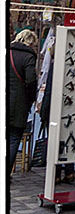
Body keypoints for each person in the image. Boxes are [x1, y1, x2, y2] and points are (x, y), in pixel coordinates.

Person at [7, 29, 38, 180]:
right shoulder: (28, 56)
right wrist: (31, 98)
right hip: (18, 104)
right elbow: (31, 80)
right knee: (13, 138)